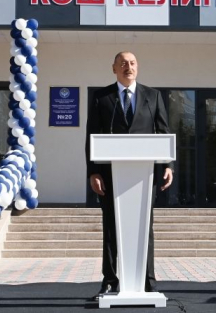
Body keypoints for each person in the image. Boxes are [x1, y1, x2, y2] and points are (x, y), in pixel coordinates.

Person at [85, 51, 173, 300]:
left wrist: (167, 165)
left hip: (143, 177)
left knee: (146, 228)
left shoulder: (152, 96)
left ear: (138, 68)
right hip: (110, 175)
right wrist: (93, 171)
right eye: (123, 63)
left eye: (132, 63)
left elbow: (163, 131)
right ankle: (110, 280)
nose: (128, 67)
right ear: (113, 68)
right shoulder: (101, 98)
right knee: (111, 227)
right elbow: (91, 136)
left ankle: (148, 281)